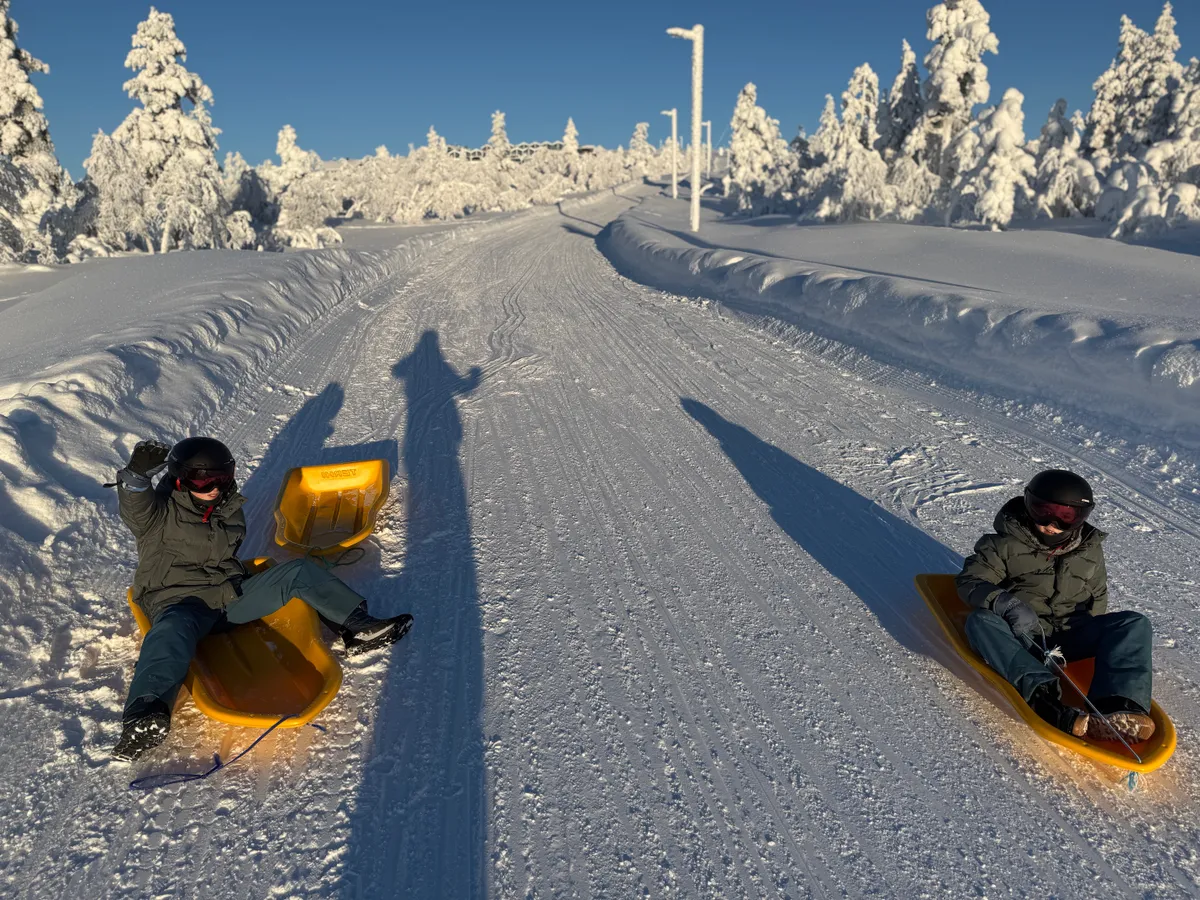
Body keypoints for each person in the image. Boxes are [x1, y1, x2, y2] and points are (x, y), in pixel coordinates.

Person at [112, 437, 413, 761]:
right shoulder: (159, 512)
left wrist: (248, 582)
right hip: (178, 602)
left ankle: (357, 627)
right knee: (171, 632)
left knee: (298, 571)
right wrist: (135, 475)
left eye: (221, 479)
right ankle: (144, 717)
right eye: (203, 481)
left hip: (227, 597)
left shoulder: (228, 509)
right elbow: (135, 502)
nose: (213, 488)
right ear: (181, 479)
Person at [956, 469, 1154, 743]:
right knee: (980, 622)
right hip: (1023, 635)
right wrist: (1009, 605)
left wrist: (1095, 636)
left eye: (1065, 516)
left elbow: (1097, 595)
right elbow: (970, 581)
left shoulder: (1089, 549)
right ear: (1028, 505)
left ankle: (1118, 709)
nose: (1052, 523)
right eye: (1043, 511)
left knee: (1133, 623)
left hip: (1070, 636)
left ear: (1080, 518)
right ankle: (1046, 701)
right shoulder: (1002, 544)